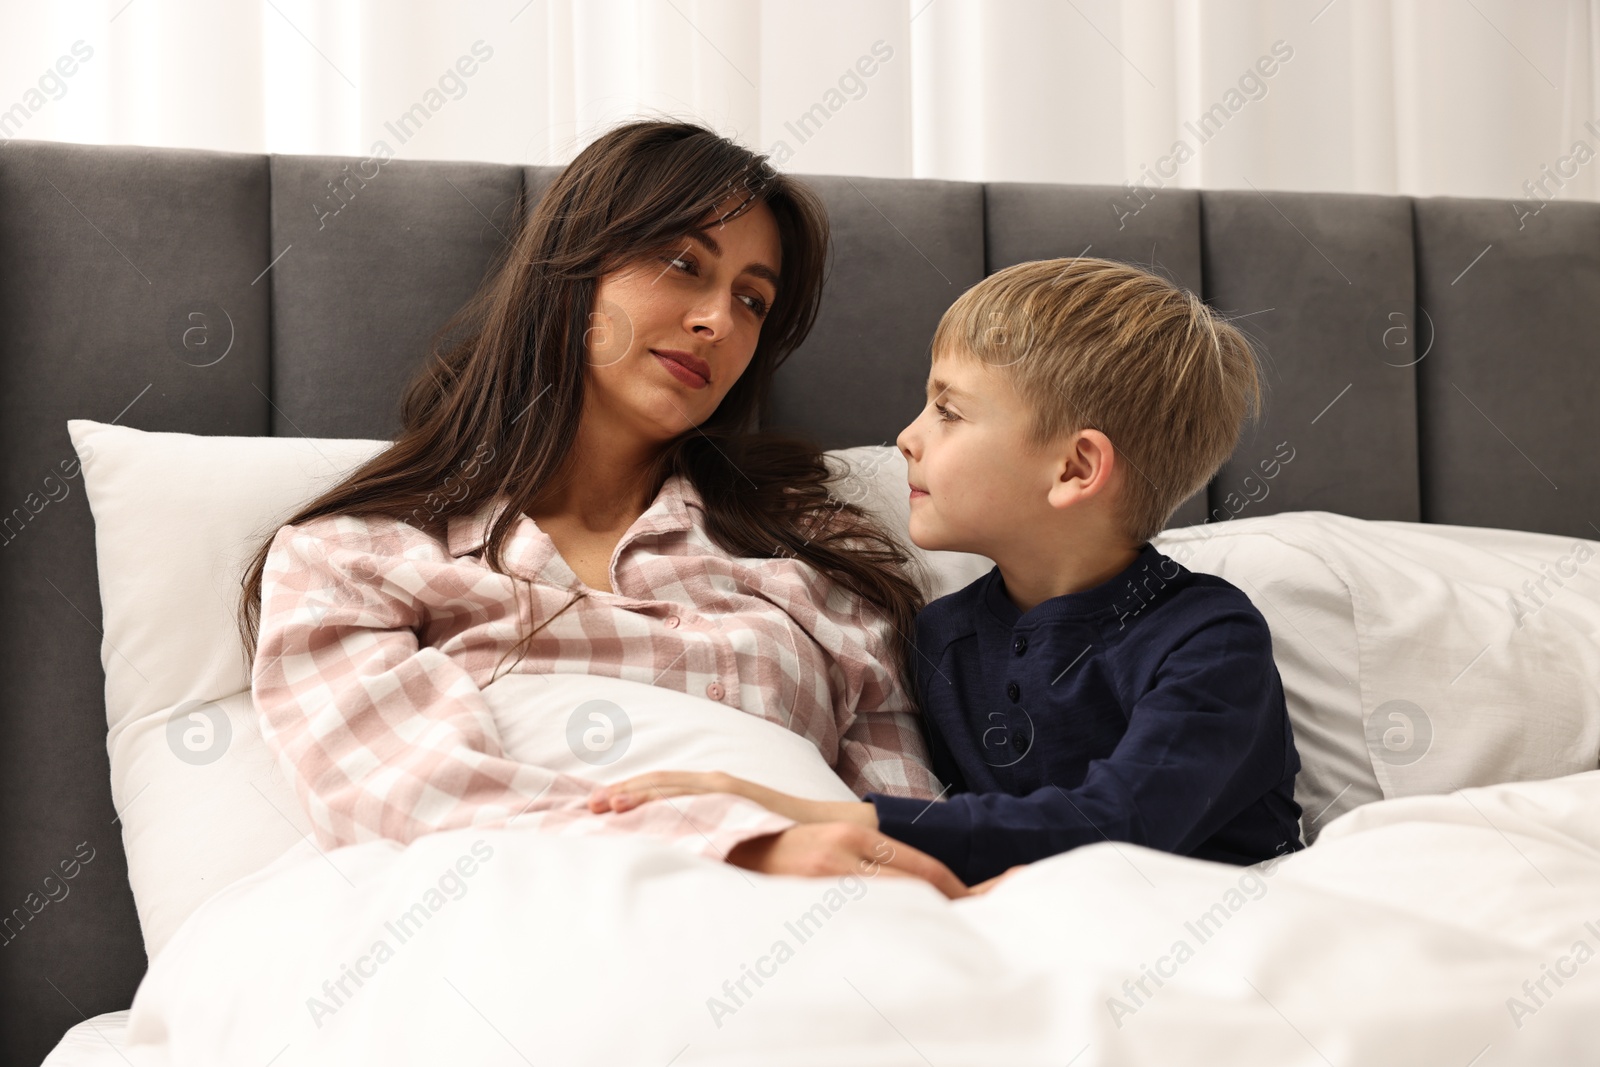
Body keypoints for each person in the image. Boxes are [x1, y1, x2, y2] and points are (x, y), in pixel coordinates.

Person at [240, 119, 967, 899]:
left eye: (752, 300)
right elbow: (412, 799)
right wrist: (734, 846)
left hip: (818, 930)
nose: (718, 322)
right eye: (683, 262)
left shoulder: (820, 553)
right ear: (574, 266)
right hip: (520, 919)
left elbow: (906, 832)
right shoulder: (350, 559)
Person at [588, 257, 1306, 892]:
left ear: (1075, 468)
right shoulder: (942, 636)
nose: (907, 435)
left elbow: (1118, 823)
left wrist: (822, 814)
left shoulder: (1209, 640)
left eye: (948, 410)